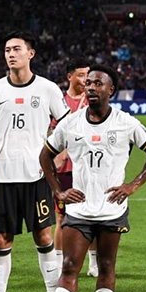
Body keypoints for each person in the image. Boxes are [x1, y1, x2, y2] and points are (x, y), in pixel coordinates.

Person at [36, 65, 146, 292]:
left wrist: (133, 185)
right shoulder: (70, 123)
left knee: (106, 266)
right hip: (79, 210)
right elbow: (45, 155)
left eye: (98, 83)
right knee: (69, 266)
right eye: (89, 82)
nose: (91, 87)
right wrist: (58, 190)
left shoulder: (125, 122)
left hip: (112, 210)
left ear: (111, 90)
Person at [0, 31, 70, 292]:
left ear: (31, 53)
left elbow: (67, 126)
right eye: (7, 50)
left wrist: (57, 158)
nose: (11, 54)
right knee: (1, 240)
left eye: (16, 49)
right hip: (2, 177)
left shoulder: (47, 88)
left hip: (36, 177)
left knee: (44, 237)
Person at [50, 59, 99, 277]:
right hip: (63, 170)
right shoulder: (58, 101)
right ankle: (58, 263)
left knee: (93, 215)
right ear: (70, 77)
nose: (86, 79)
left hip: (88, 167)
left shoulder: (93, 100)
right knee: (62, 217)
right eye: (81, 75)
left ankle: (93, 263)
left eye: (88, 75)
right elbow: (50, 132)